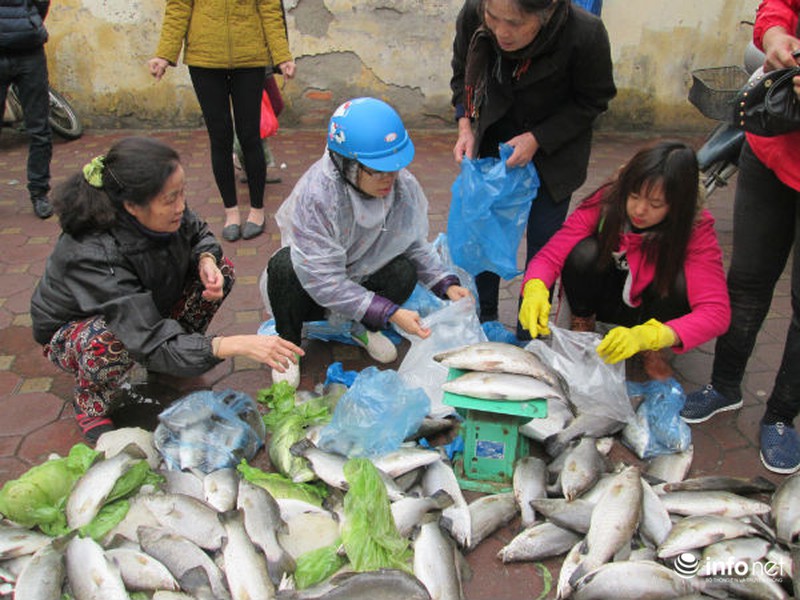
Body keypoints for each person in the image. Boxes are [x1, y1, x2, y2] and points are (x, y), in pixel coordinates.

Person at [30, 137, 303, 443]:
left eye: (181, 194)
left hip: (144, 308)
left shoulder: (164, 208)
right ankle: (91, 401)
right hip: (77, 332)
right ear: (132, 205)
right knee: (110, 341)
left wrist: (206, 259)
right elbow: (144, 337)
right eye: (170, 199)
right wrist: (235, 344)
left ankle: (177, 353)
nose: (181, 206)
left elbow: (198, 231)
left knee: (222, 269)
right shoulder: (94, 252)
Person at [262, 97, 472, 387]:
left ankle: (360, 326)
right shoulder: (318, 196)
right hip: (314, 288)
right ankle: (287, 345)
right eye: (377, 170)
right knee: (284, 267)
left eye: (393, 167)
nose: (389, 179)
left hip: (362, 278)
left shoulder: (400, 185)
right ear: (346, 164)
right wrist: (391, 312)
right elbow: (323, 279)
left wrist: (445, 283)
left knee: (404, 270)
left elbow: (411, 242)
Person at [681, 0, 800, 475]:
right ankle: (724, 385)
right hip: (772, 149)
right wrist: (773, 37)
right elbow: (776, 7)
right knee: (747, 279)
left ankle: (779, 416)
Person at [450, 0, 616, 326]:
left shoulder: (584, 33)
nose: (500, 32)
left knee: (544, 243)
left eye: (513, 23)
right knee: (485, 230)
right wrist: (465, 125)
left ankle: (531, 329)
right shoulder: (475, 11)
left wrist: (537, 137)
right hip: (494, 136)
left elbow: (594, 99)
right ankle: (485, 318)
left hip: (555, 148)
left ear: (548, 11)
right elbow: (461, 73)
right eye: (493, 19)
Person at [518, 141, 731, 381]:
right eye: (634, 195)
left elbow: (717, 312)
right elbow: (551, 255)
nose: (639, 210)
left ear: (678, 206)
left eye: (655, 204)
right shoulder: (607, 201)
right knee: (583, 253)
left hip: (651, 307)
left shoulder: (695, 228)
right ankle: (583, 323)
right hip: (606, 293)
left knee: (682, 282)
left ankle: (652, 349)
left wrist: (653, 335)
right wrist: (535, 287)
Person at [147, 0, 296, 242]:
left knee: (250, 136)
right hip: (204, 59)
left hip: (250, 59)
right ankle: (231, 212)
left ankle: (257, 211)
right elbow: (179, 7)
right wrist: (164, 54)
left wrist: (282, 56)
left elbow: (269, 8)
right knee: (220, 138)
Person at [0, 0, 54, 219]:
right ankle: (39, 194)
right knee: (39, 129)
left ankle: (39, 192)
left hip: (29, 51)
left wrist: (30, 24)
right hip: (26, 46)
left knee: (39, 127)